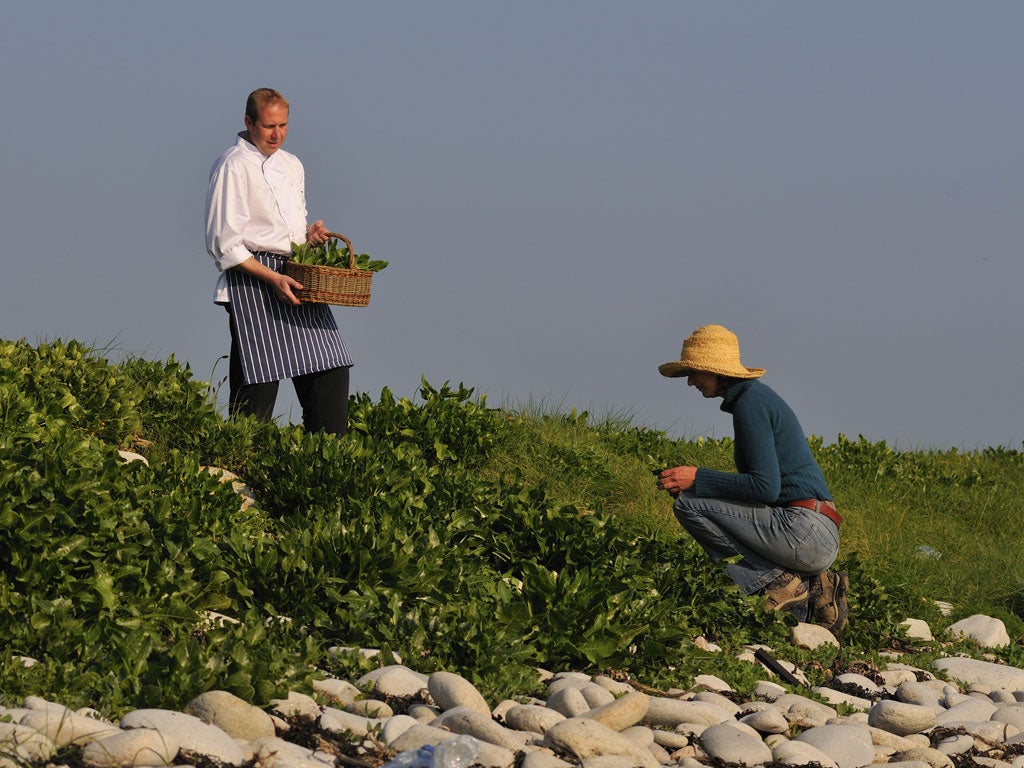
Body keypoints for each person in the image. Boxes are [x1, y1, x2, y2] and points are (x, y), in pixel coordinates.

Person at [655, 324, 848, 632]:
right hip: (815, 528)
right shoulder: (754, 398)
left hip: (804, 530)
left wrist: (697, 478)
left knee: (689, 505)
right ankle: (814, 586)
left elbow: (764, 487)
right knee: (705, 501)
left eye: (694, 373)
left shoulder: (750, 403)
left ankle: (779, 581)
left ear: (716, 371)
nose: (690, 382)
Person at [205, 88, 352, 435]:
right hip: (252, 280)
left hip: (296, 274)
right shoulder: (232, 165)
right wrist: (272, 279)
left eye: (283, 125)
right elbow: (223, 242)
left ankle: (329, 459)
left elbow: (287, 230)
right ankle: (242, 466)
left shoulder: (292, 164)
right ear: (248, 122)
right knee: (258, 378)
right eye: (269, 126)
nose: (277, 135)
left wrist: (309, 236)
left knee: (331, 368)